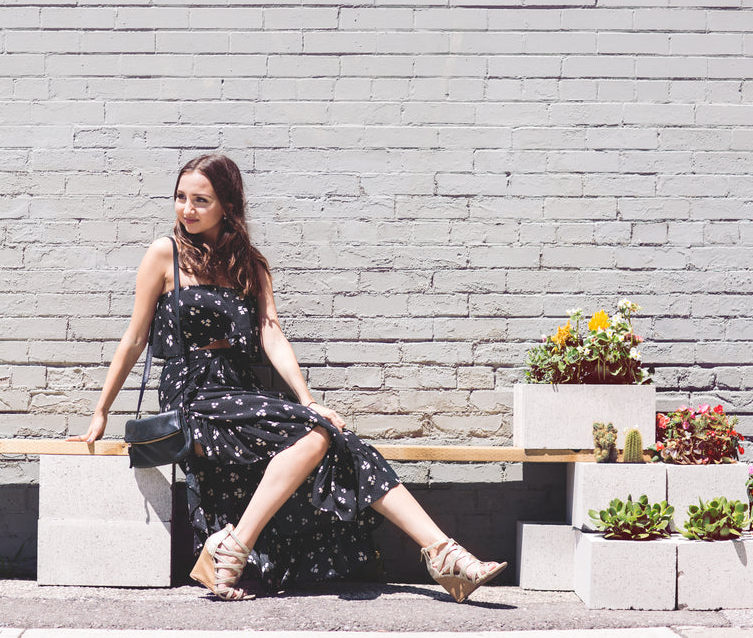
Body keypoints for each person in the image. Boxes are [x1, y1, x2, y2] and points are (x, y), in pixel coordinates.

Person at [70, 153, 506, 602]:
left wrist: (306, 397)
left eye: (201, 200)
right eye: (181, 198)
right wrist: (101, 411)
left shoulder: (249, 265)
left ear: (227, 206)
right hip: (192, 392)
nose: (187, 209)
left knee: (338, 438)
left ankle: (442, 553)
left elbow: (271, 334)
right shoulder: (165, 253)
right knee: (320, 434)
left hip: (239, 390)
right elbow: (134, 336)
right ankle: (440, 556)